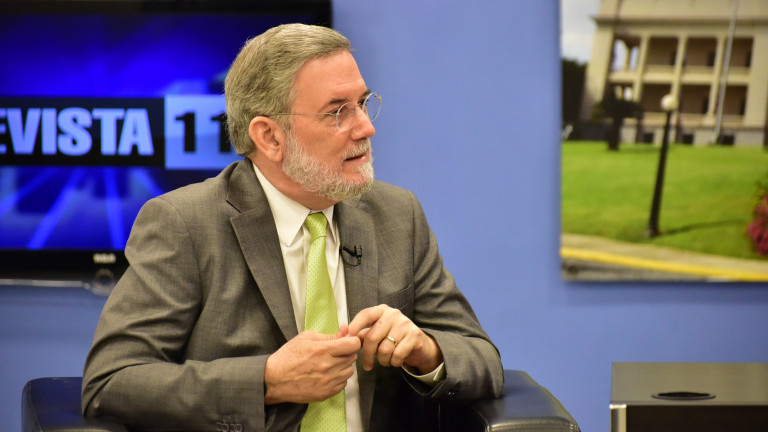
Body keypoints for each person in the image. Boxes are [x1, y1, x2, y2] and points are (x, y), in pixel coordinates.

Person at [82, 23, 503, 432]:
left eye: (362, 102)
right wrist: (266, 381)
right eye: (337, 112)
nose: (366, 127)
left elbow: (482, 359)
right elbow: (112, 382)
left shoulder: (396, 215)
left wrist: (426, 351)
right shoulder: (185, 224)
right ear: (269, 137)